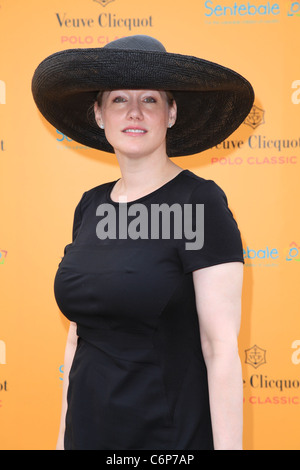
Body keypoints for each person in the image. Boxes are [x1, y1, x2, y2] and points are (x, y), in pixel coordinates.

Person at [32, 35, 254, 450]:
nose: (134, 111)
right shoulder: (90, 206)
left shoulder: (199, 202)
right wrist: (63, 439)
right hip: (89, 431)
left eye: (150, 99)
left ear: (171, 113)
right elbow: (78, 337)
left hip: (167, 437)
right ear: (98, 114)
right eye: (118, 99)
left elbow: (219, 347)